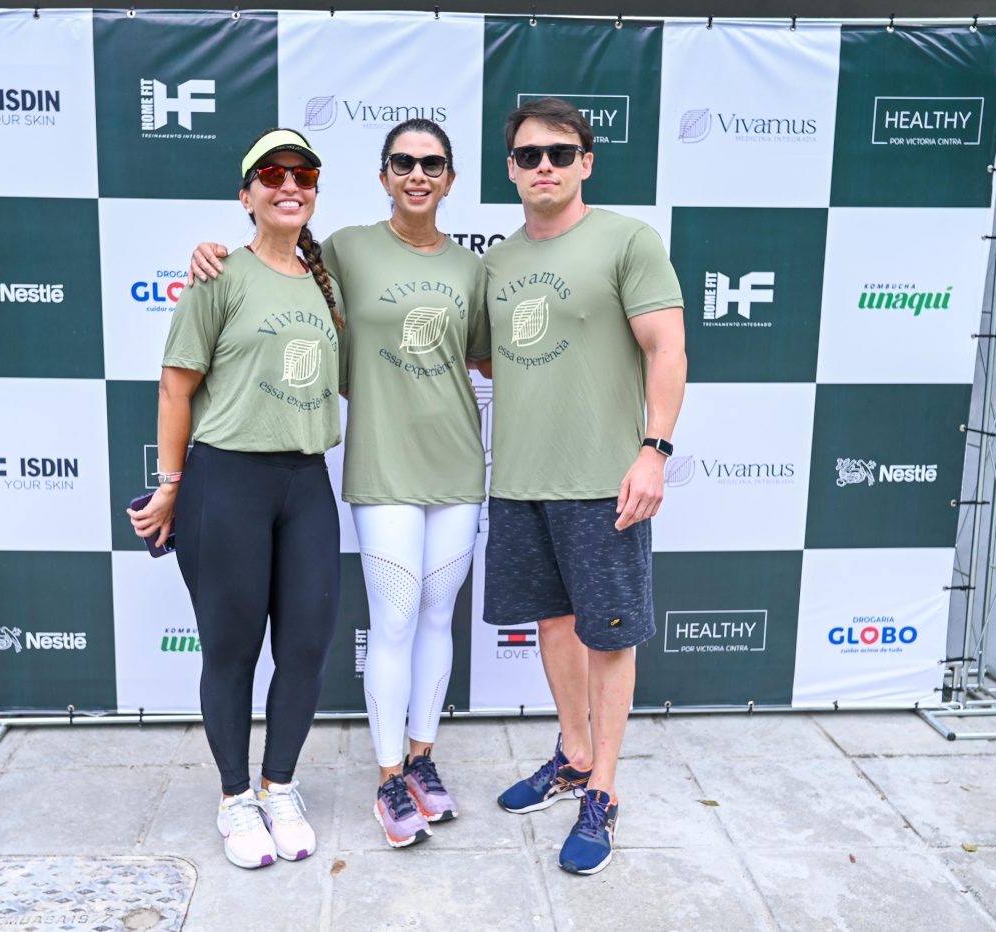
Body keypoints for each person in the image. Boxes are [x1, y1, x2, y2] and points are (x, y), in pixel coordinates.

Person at [189, 119, 490, 849]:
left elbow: (490, 363)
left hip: (457, 467)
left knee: (436, 616)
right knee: (391, 618)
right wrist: (208, 254)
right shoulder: (346, 249)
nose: (417, 174)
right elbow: (272, 264)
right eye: (402, 163)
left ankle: (423, 761)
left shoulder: (474, 269)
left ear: (450, 179)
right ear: (383, 176)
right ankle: (388, 776)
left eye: (433, 164)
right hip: (379, 468)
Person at [130, 127, 345, 870]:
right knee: (231, 649)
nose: (291, 185)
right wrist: (171, 487)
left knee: (309, 646)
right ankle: (233, 798)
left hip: (306, 480)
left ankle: (278, 784)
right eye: (273, 175)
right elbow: (175, 386)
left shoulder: (326, 281)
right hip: (229, 482)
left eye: (304, 173)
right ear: (247, 195)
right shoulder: (218, 274)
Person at [482, 97, 686, 876]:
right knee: (556, 624)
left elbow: (668, 348)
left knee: (609, 635)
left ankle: (603, 788)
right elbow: (483, 357)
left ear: (586, 162)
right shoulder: (497, 261)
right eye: (530, 155)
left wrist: (654, 450)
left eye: (560, 154)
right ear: (511, 167)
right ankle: (571, 754)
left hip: (605, 480)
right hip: (523, 479)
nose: (544, 166)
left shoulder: (628, 240)